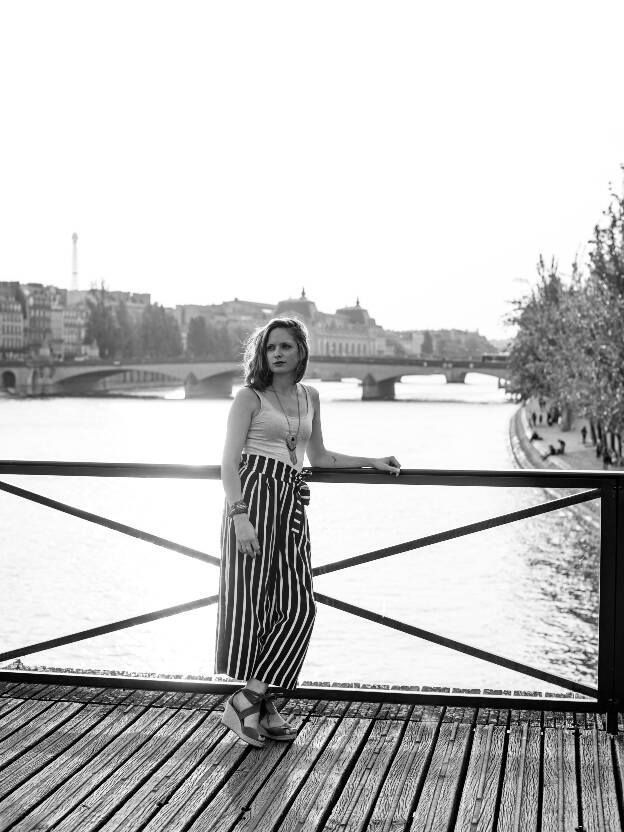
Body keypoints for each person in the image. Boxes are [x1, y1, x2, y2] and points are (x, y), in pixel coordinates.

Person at [216, 317, 401, 748]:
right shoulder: (249, 397)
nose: (276, 353)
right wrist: (239, 516)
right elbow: (228, 462)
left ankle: (250, 699)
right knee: (255, 606)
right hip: (254, 498)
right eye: (269, 347)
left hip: (291, 501)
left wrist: (370, 460)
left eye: (285, 346)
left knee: (299, 606)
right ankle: (259, 704)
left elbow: (318, 456)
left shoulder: (310, 396)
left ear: (301, 351)